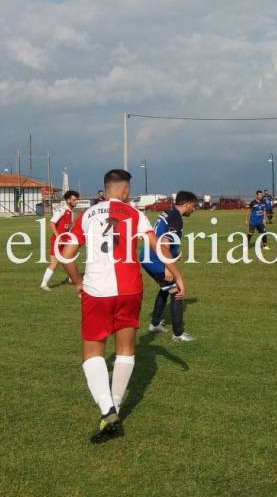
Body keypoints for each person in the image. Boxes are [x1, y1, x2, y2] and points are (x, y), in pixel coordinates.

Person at [60, 169, 171, 443]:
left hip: (96, 291)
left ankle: (107, 409)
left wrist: (77, 282)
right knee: (125, 351)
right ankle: (115, 409)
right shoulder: (135, 214)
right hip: (130, 288)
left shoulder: (87, 214)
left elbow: (66, 255)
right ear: (123, 190)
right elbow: (155, 245)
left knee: (93, 354)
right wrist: (173, 271)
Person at [142, 191, 197, 342]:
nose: (194, 209)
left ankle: (154, 324)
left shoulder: (169, 212)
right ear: (187, 204)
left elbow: (161, 237)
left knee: (165, 288)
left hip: (149, 256)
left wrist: (175, 253)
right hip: (156, 259)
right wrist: (168, 267)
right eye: (193, 206)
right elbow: (164, 243)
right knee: (176, 290)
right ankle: (178, 334)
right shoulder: (176, 218)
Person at [41, 190, 80, 290]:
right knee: (55, 263)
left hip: (66, 241)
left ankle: (72, 279)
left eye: (77, 200)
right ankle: (44, 284)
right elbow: (51, 223)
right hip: (57, 241)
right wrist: (58, 236)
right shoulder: (62, 210)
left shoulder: (72, 212)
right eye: (74, 200)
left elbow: (69, 227)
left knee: (70, 259)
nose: (76, 202)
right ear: (68, 200)